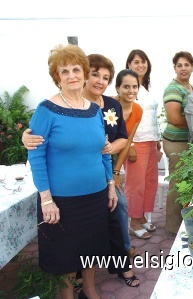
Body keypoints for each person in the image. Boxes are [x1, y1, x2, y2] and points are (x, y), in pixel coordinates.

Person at [23, 53, 141, 289]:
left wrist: (109, 186)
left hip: (96, 195)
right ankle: (68, 295)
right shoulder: (46, 110)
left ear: (83, 73)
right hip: (62, 200)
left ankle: (89, 291)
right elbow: (36, 155)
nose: (71, 76)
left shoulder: (94, 110)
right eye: (64, 71)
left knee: (91, 249)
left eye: (76, 70)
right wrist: (46, 200)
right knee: (66, 254)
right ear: (57, 77)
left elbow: (103, 152)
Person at [125, 49, 160, 238]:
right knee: (135, 184)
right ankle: (133, 221)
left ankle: (142, 217)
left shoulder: (144, 88)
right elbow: (124, 119)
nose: (140, 65)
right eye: (136, 62)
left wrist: (159, 141)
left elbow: (152, 117)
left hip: (151, 141)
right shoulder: (128, 88)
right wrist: (128, 145)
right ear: (129, 65)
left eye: (143, 61)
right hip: (136, 143)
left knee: (149, 183)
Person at [162, 51, 193, 234]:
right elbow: (174, 118)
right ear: (174, 68)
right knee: (177, 183)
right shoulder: (173, 89)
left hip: (187, 141)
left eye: (186, 65)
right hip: (176, 142)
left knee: (187, 183)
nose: (183, 68)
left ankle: (185, 222)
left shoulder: (190, 87)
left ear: (192, 67)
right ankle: (173, 227)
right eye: (179, 65)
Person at [112, 69, 145, 241]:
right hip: (98, 158)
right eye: (126, 86)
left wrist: (116, 172)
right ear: (117, 88)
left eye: (134, 86)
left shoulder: (138, 110)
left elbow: (127, 142)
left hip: (113, 160)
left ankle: (123, 246)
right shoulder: (107, 105)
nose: (131, 90)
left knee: (120, 203)